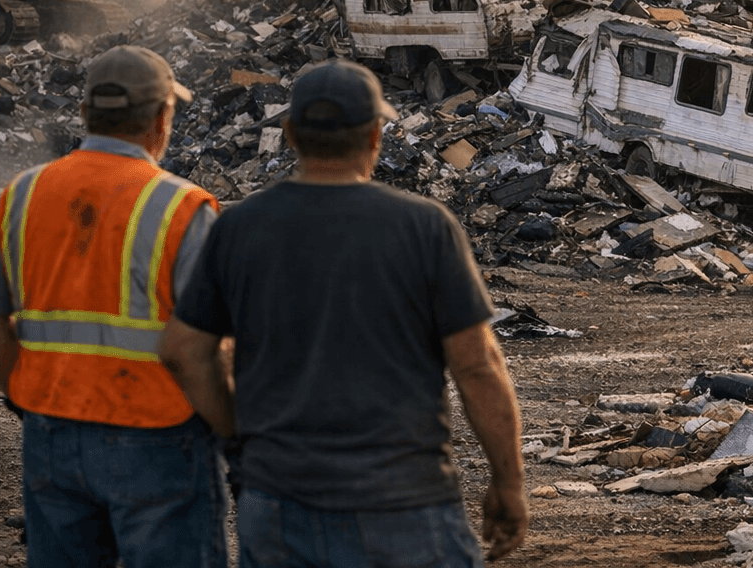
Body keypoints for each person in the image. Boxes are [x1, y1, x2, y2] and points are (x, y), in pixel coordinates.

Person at [160, 59, 527, 567]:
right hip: (405, 502)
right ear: (375, 135)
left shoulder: (239, 228)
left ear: (288, 134)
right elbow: (477, 366)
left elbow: (183, 352)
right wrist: (508, 482)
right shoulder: (425, 227)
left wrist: (241, 439)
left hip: (277, 503)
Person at [0, 44, 226, 568]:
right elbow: (196, 347)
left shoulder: (25, 193)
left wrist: (22, 394)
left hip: (51, 433)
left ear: (84, 114)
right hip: (159, 435)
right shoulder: (182, 206)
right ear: (162, 116)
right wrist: (233, 429)